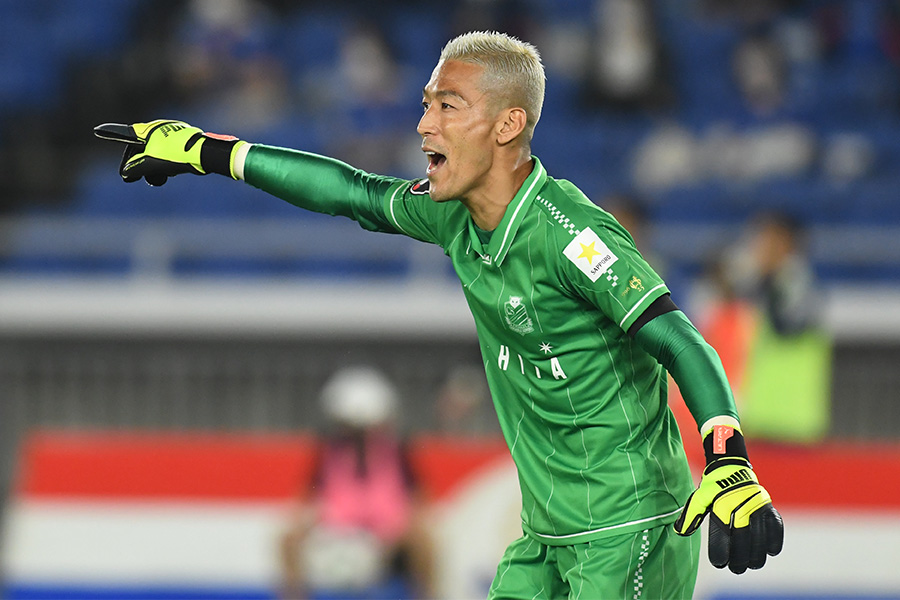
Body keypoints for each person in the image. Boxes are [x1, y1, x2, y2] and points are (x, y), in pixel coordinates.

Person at [95, 30, 783, 599]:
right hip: (545, 538)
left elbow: (682, 340)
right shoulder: (453, 215)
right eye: (426, 105)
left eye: (449, 106)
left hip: (629, 528)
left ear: (509, 124)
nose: (425, 124)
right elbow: (352, 193)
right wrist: (207, 151)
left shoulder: (572, 236)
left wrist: (727, 461)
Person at [278, 366, 434, 600]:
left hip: (388, 535)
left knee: (423, 541)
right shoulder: (326, 452)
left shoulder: (398, 451)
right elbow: (307, 499)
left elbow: (420, 499)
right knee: (288, 538)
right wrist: (309, 524)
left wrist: (398, 532)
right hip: (337, 529)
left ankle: (425, 596)